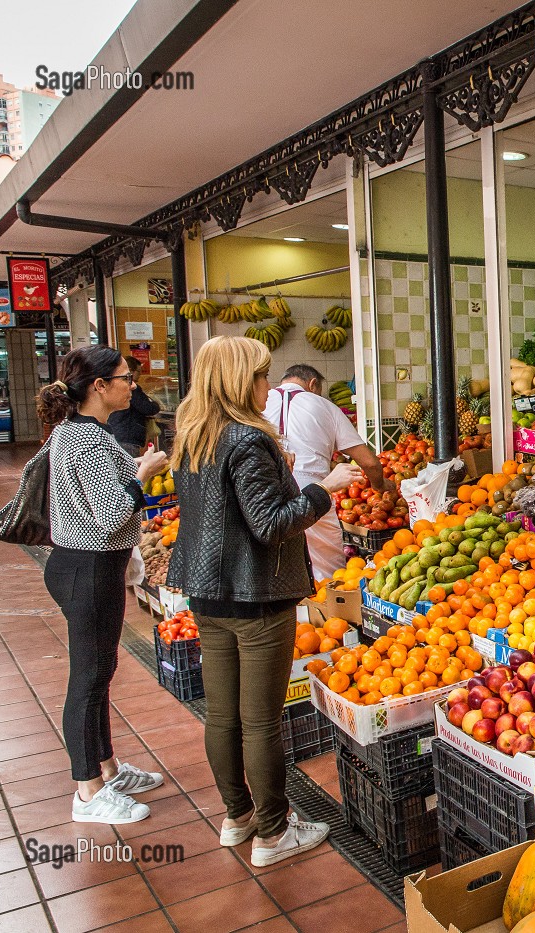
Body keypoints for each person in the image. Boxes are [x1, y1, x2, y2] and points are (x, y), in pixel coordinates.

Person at [167, 336, 362, 867]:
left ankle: (238, 816)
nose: (266, 385)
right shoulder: (246, 440)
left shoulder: (193, 435)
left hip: (209, 593)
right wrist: (325, 486)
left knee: (223, 715)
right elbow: (271, 524)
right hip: (255, 595)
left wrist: (279, 472)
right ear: (240, 382)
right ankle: (274, 833)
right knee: (261, 722)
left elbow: (228, 509)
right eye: (260, 375)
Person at [37, 346, 171, 824]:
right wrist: (144, 474)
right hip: (87, 567)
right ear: (99, 386)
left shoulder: (83, 433)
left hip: (91, 566)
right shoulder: (86, 441)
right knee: (88, 679)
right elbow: (110, 513)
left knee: (99, 674)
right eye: (123, 378)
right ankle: (87, 790)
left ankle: (106, 769)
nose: (131, 385)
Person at [262, 364, 388, 579]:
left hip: (265, 490)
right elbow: (369, 462)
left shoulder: (261, 401)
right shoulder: (324, 405)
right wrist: (381, 486)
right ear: (313, 384)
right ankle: (326, 609)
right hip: (313, 490)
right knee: (329, 574)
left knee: (273, 568)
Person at [107, 356, 162, 456]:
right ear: (130, 372)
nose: (140, 375)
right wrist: (154, 405)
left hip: (117, 434)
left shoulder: (113, 388)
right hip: (128, 437)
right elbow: (147, 408)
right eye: (139, 372)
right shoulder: (132, 388)